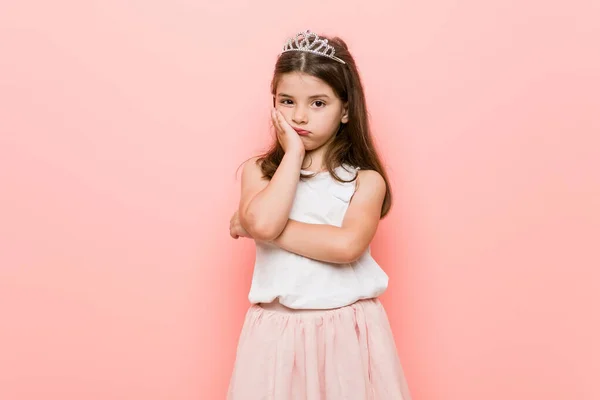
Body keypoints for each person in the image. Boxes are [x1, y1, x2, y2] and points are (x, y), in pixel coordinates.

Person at [227, 29, 412, 400]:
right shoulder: (259, 173)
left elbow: (346, 246)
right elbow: (263, 221)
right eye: (287, 101)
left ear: (345, 109)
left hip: (345, 333)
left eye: (318, 103)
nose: (299, 116)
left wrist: (252, 225)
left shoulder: (363, 180)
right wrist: (292, 154)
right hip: (275, 337)